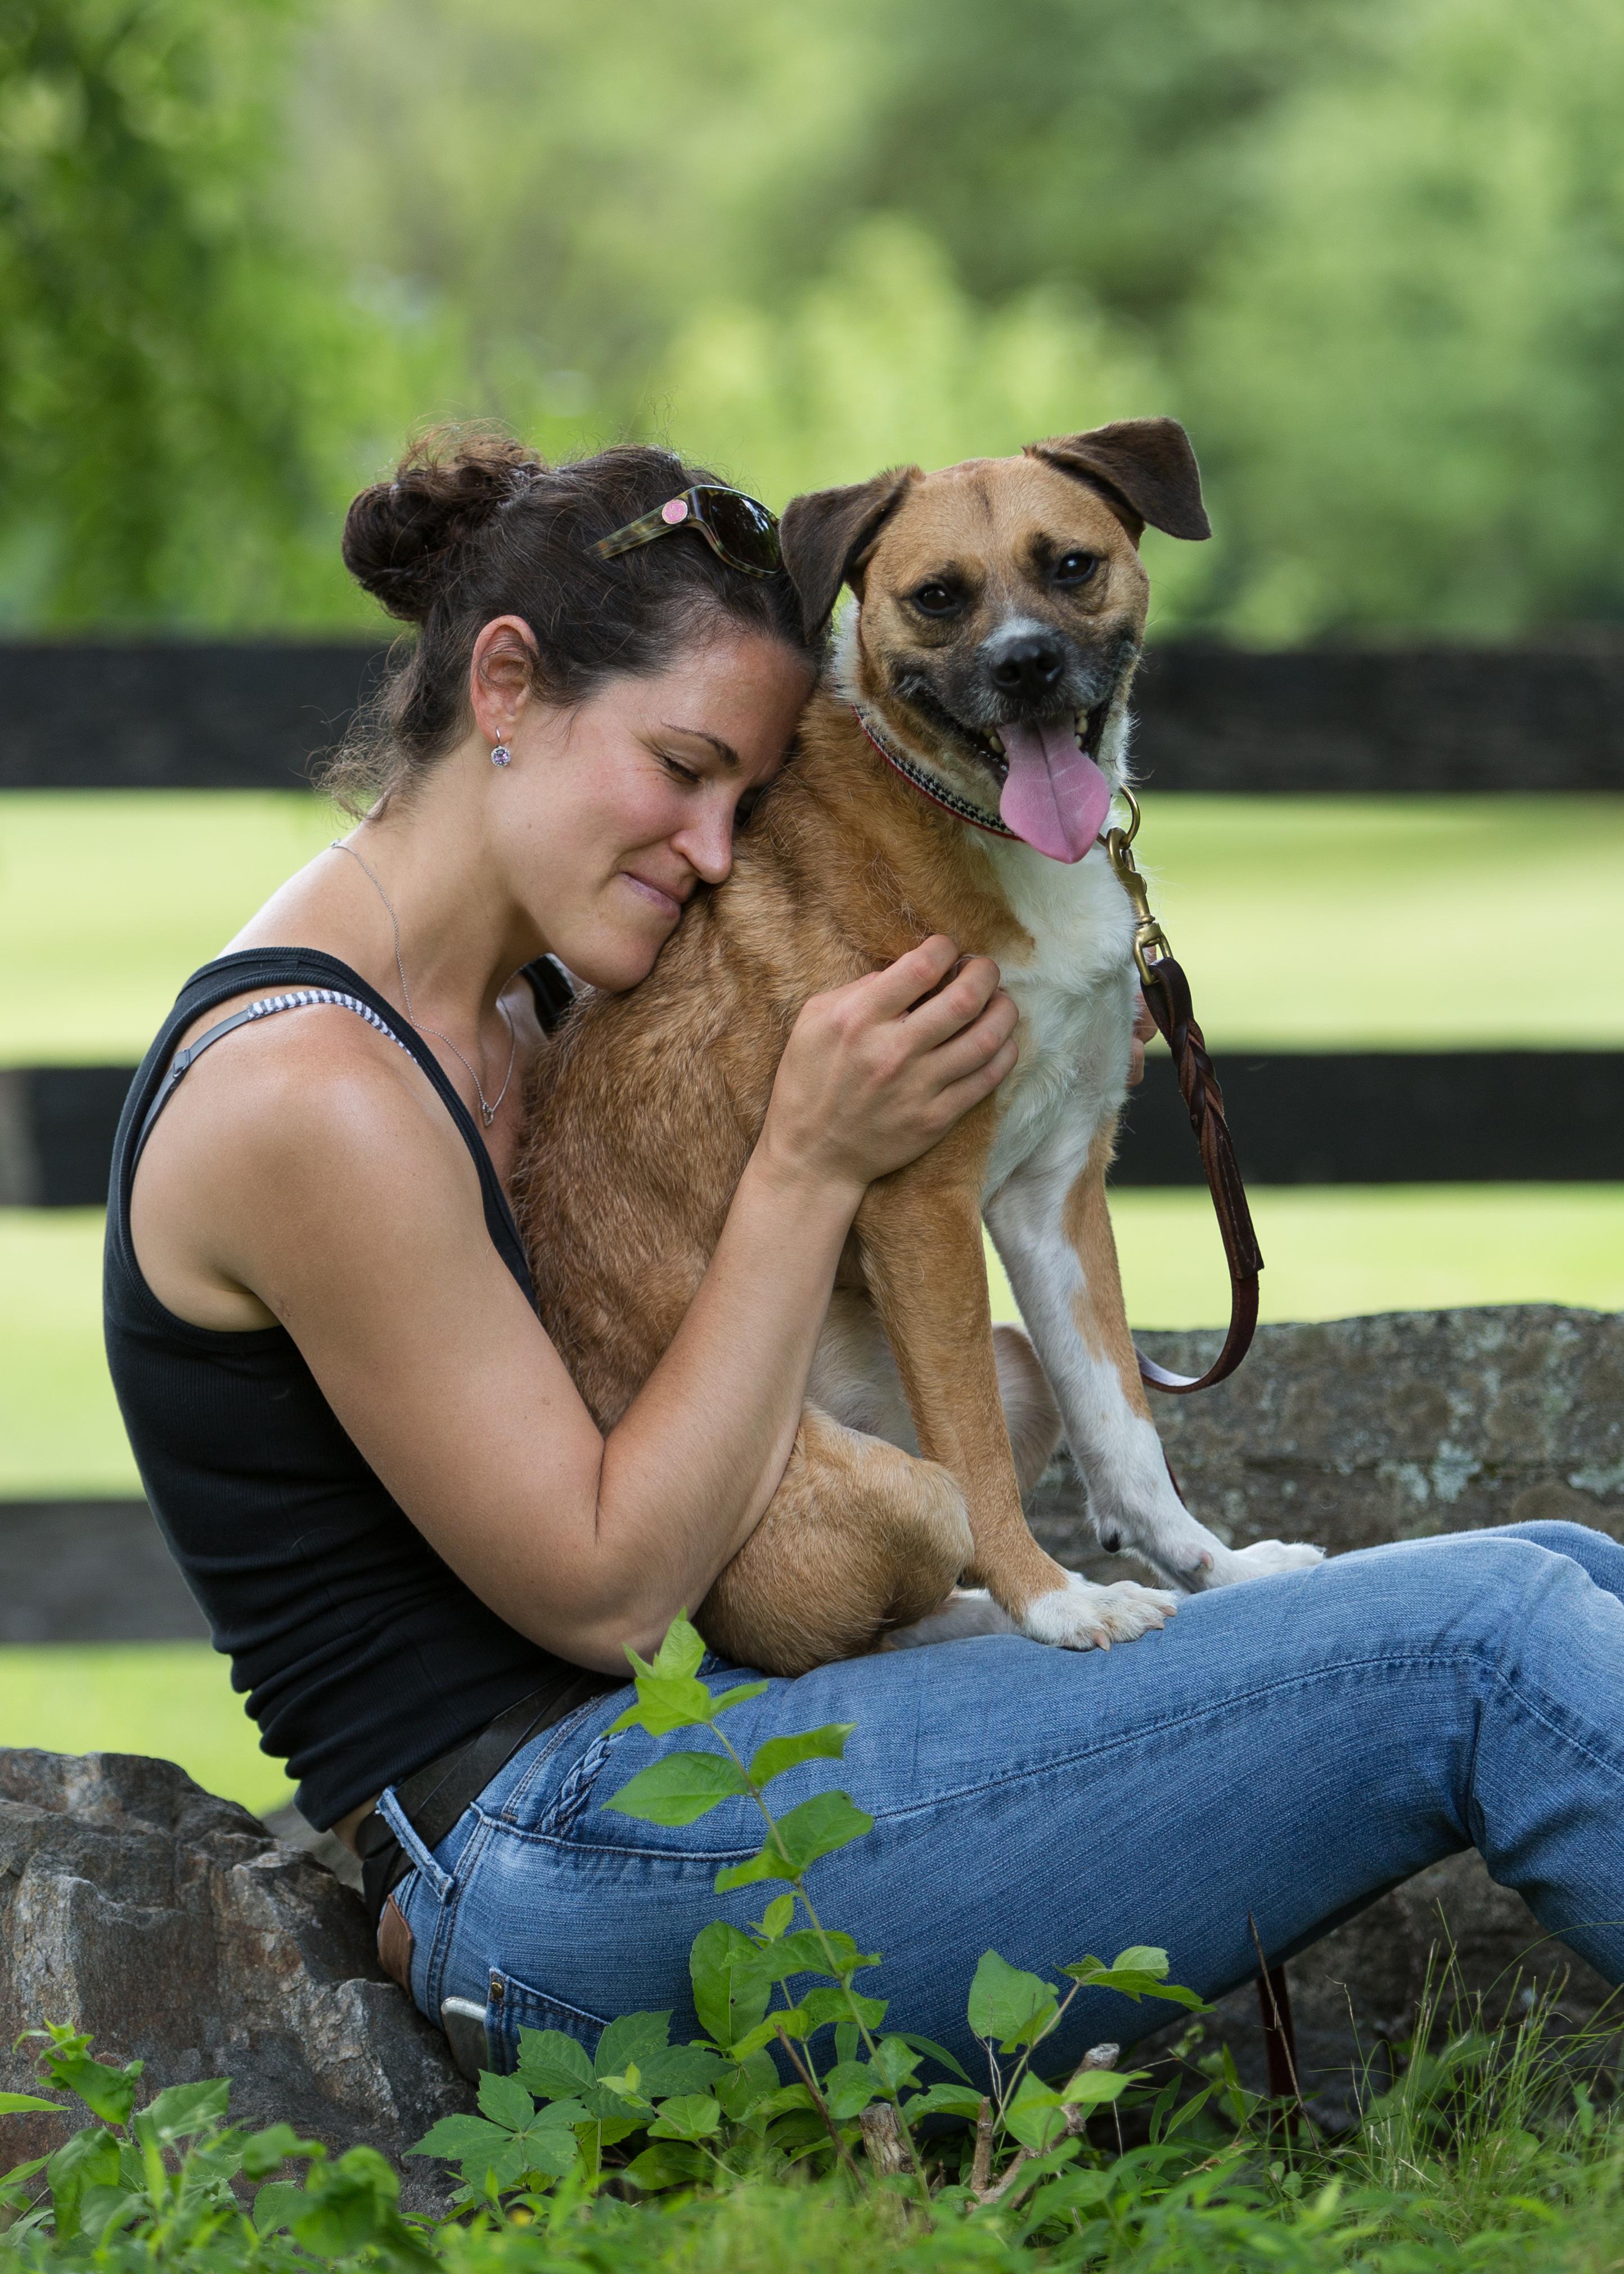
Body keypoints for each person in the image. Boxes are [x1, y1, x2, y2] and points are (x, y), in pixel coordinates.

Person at [106, 432, 1624, 2084]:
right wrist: (812, 1158)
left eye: (748, 798)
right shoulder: (311, 1094)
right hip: (560, 1841)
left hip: (731, 1726)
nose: (717, 850)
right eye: (682, 768)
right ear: (508, 687)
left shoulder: (531, 997)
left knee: (1565, 1564)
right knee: (1491, 1642)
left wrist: (1028, 1085)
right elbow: (611, 1593)